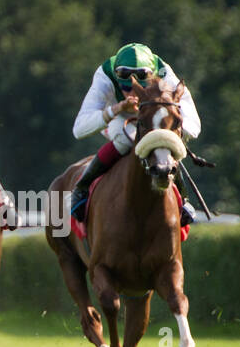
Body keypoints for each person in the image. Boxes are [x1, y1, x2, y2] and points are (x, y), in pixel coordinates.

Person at [68, 43, 200, 225]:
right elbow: (79, 129)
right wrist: (117, 108)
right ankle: (82, 187)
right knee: (126, 139)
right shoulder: (105, 75)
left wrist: (173, 134)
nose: (131, 87)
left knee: (163, 141)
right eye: (124, 77)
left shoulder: (164, 73)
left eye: (139, 79)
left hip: (151, 116)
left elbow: (193, 123)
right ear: (116, 73)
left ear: (152, 74)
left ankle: (183, 199)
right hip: (117, 116)